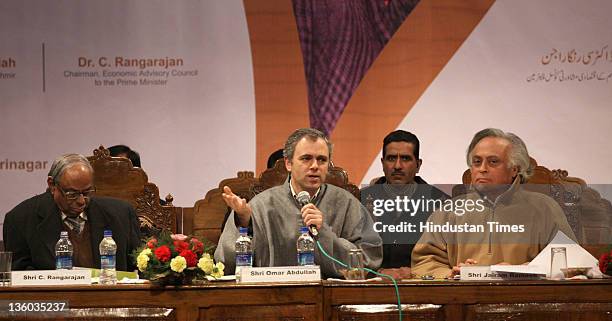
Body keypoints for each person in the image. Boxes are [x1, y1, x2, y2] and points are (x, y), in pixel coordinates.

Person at [215, 128, 382, 278]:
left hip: (331, 300)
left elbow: (369, 260)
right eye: (306, 158)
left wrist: (324, 233)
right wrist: (244, 223)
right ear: (288, 163)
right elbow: (224, 264)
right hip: (273, 300)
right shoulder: (261, 205)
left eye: (322, 160)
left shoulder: (346, 203)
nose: (315, 166)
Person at [411, 128, 576, 279]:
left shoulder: (544, 208)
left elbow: (569, 259)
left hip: (527, 299)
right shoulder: (448, 212)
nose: (482, 169)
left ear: (514, 169)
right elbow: (424, 262)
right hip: (463, 301)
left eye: (493, 162)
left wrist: (523, 270)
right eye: (477, 162)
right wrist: (451, 274)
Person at [3, 154, 141, 271]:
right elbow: (19, 280)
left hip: (114, 300)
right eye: (72, 194)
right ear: (52, 185)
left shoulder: (121, 214)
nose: (81, 201)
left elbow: (138, 271)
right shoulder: (20, 219)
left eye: (87, 192)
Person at [361, 130, 448, 279]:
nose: (397, 165)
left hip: (424, 286)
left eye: (406, 158)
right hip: (372, 286)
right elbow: (348, 255)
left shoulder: (441, 203)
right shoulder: (360, 201)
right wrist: (377, 273)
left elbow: (447, 258)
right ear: (382, 163)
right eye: (391, 158)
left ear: (418, 165)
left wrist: (417, 272)